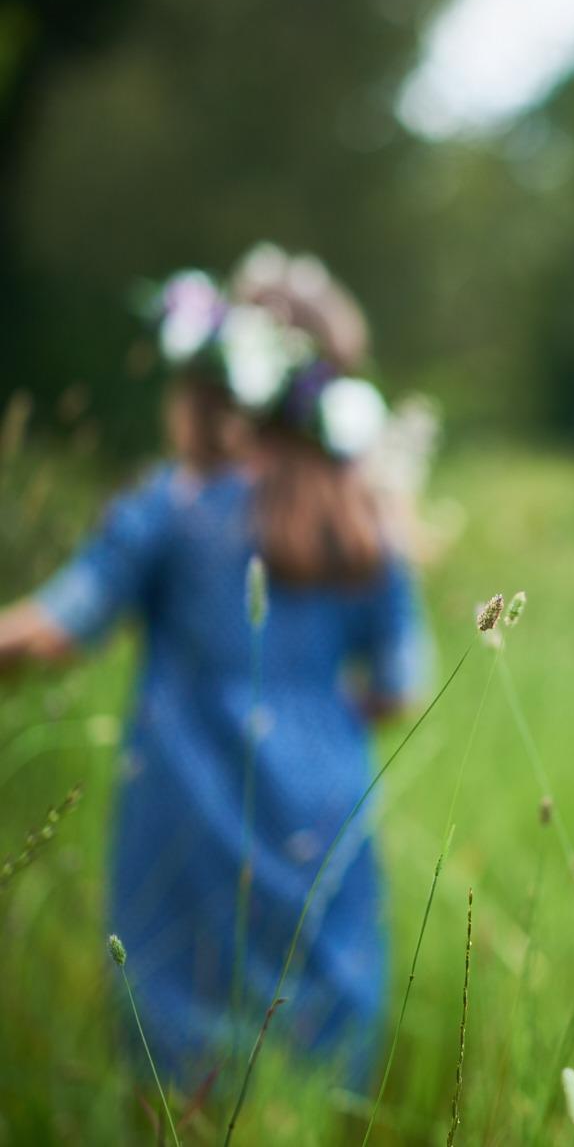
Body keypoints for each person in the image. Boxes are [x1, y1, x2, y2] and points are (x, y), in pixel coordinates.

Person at [0, 246, 430, 1089]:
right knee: (316, 1001)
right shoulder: (370, 528)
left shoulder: (175, 504)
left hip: (187, 798)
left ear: (212, 380)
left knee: (181, 1006)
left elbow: (55, 630)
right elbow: (397, 683)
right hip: (324, 802)